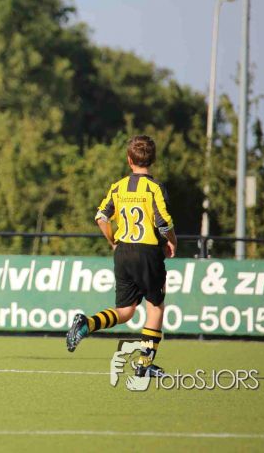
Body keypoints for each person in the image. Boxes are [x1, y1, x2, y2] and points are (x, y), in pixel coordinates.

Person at [66, 135, 177, 377]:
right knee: (155, 308)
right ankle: (144, 365)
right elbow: (163, 223)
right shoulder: (155, 188)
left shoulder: (118, 187)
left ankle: (87, 324)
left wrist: (113, 241)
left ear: (129, 160)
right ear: (153, 159)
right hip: (147, 251)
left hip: (124, 251)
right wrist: (172, 241)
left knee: (125, 311)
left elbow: (101, 218)